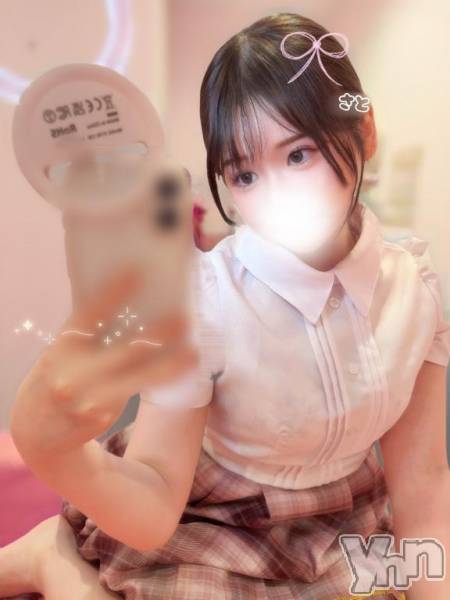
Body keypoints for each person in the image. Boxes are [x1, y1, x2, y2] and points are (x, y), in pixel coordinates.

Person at [2, 11, 450, 600]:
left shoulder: (416, 291)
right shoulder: (204, 301)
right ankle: (51, 557)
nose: (276, 195)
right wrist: (53, 450)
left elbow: (422, 484)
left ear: (363, 131)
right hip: (210, 516)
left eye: (299, 155)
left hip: (343, 526)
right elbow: (154, 508)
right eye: (244, 174)